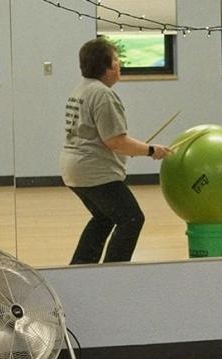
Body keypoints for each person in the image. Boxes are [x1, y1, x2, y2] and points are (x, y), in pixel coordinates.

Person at [60, 38, 172, 265]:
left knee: (103, 218)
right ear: (108, 66)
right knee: (132, 219)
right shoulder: (102, 95)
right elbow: (116, 141)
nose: (119, 65)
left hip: (74, 169)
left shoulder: (82, 89)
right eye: (116, 60)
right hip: (94, 172)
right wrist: (151, 150)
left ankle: (80, 269)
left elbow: (109, 139)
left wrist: (134, 148)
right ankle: (114, 272)